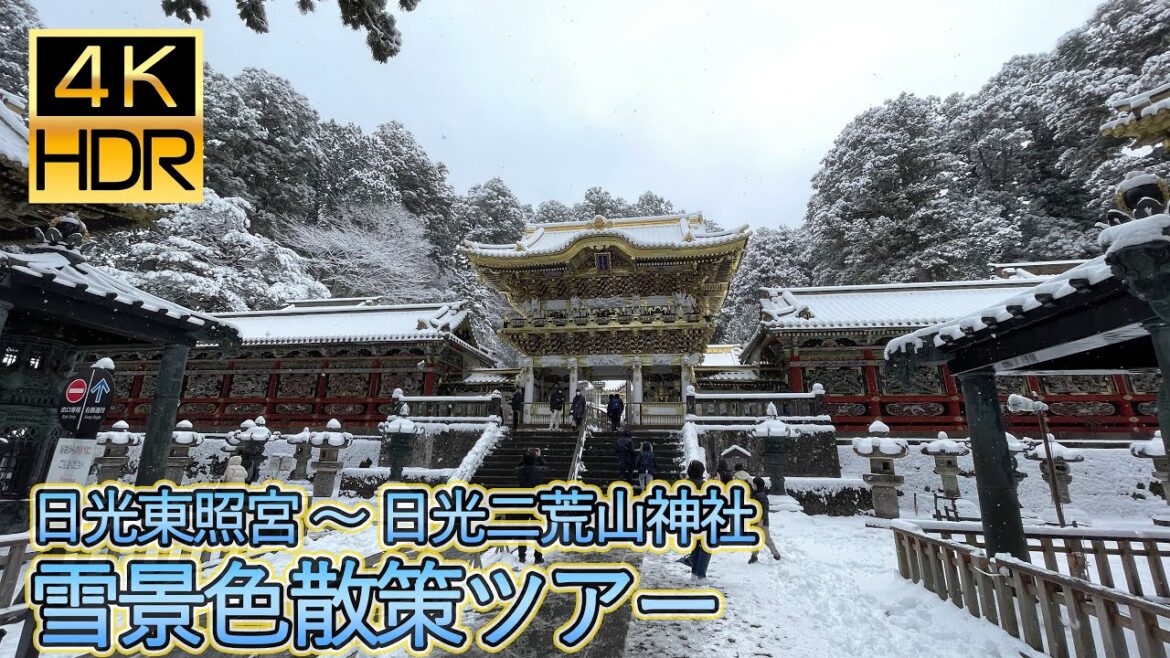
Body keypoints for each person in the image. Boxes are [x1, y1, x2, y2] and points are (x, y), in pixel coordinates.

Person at [682, 459, 712, 581]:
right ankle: (701, 576)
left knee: (695, 546)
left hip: (690, 520)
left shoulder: (684, 485)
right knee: (705, 547)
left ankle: (694, 574)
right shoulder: (704, 486)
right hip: (704, 520)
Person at [515, 452, 546, 564]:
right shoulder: (539, 470)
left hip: (523, 504)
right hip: (536, 503)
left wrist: (523, 459)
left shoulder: (520, 471)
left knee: (522, 531)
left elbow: (517, 466)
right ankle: (538, 557)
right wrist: (539, 457)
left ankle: (521, 556)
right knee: (537, 531)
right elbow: (547, 468)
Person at [749, 476, 781, 563]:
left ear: (757, 485)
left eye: (754, 484)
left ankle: (776, 554)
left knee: (766, 539)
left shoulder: (761, 495)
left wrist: (761, 519)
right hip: (757, 521)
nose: (753, 486)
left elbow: (764, 509)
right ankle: (754, 556)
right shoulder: (757, 494)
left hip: (761, 522)